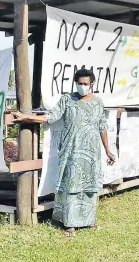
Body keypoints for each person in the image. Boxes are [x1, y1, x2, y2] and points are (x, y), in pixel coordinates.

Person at [12, 68, 115, 237]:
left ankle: (88, 221)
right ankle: (69, 223)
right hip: (71, 152)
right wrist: (25, 117)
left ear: (92, 84)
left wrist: (108, 150)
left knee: (89, 186)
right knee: (71, 186)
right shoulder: (67, 100)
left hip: (91, 153)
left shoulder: (98, 103)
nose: (82, 86)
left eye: (85, 84)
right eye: (79, 83)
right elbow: (50, 118)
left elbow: (102, 127)